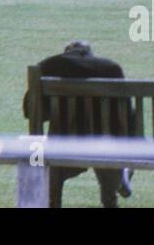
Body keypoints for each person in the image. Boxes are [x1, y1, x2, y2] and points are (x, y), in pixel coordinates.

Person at [23, 41, 133, 208]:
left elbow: (30, 112)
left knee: (35, 149)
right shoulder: (112, 69)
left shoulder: (48, 66)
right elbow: (126, 115)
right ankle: (117, 181)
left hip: (62, 146)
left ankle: (52, 201)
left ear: (66, 52)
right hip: (105, 148)